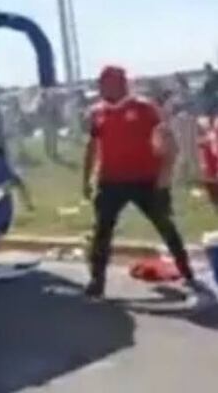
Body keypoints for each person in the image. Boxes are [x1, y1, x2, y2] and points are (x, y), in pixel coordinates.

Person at [82, 66, 200, 298]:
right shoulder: (98, 112)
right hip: (111, 181)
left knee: (165, 224)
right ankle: (97, 281)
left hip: (146, 180)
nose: (103, 88)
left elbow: (169, 145)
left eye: (108, 84)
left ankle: (186, 269)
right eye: (102, 84)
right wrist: (86, 179)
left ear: (122, 85)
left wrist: (164, 180)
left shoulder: (145, 108)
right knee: (102, 231)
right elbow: (92, 145)